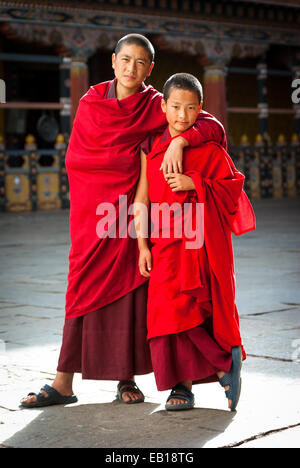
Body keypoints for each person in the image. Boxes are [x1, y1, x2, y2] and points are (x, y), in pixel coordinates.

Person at [20, 35, 227, 408]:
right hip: (94, 216)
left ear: (151, 70)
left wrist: (182, 141)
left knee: (135, 295)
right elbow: (78, 158)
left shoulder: (156, 104)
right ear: (113, 62)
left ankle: (126, 378)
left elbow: (214, 128)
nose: (131, 69)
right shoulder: (91, 102)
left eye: (140, 63)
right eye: (125, 60)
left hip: (134, 215)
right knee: (81, 290)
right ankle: (63, 383)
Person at [134, 73, 256, 411]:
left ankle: (188, 386)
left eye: (190, 108)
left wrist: (195, 182)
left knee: (188, 310)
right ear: (163, 106)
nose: (181, 115)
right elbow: (141, 200)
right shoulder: (151, 147)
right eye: (175, 107)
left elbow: (232, 192)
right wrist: (142, 245)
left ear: (200, 109)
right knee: (163, 314)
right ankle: (214, 370)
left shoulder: (209, 148)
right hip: (161, 242)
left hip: (196, 243)